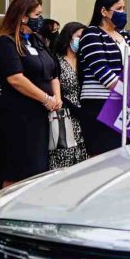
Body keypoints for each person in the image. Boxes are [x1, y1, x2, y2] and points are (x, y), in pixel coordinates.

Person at [0, 0, 58, 184]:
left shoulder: (36, 40)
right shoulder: (6, 42)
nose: (40, 20)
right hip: (18, 116)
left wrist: (56, 96)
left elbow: (53, 71)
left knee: (37, 169)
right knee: (16, 170)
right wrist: (45, 97)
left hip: (39, 116)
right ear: (23, 16)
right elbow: (15, 78)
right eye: (37, 15)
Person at [77, 0, 130, 157]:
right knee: (102, 155)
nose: (123, 12)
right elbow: (100, 69)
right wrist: (126, 91)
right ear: (104, 11)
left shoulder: (125, 36)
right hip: (100, 102)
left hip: (125, 103)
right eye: (118, 9)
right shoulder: (91, 34)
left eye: (124, 8)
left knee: (124, 154)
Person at [49, 23, 87, 171]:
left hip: (83, 118)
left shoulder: (84, 61)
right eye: (78, 36)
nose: (81, 40)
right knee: (63, 160)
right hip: (64, 116)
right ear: (68, 37)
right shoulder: (56, 61)